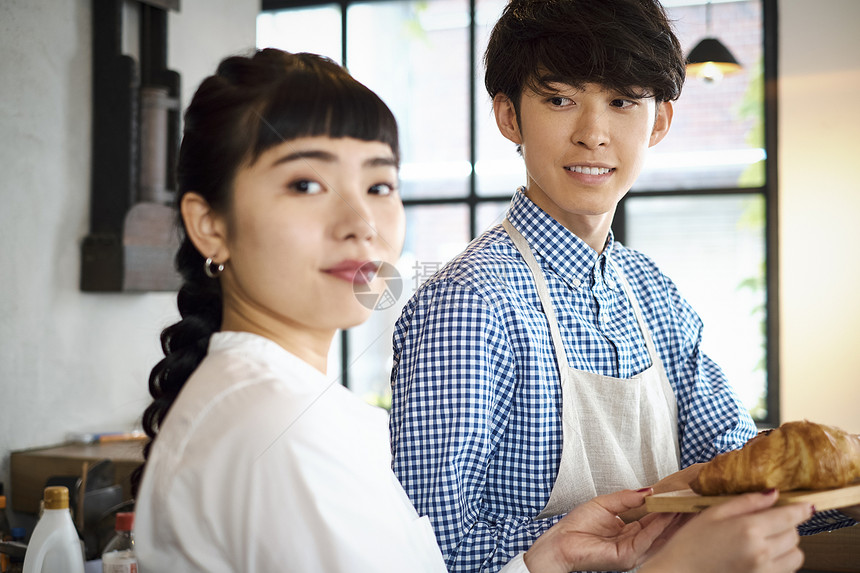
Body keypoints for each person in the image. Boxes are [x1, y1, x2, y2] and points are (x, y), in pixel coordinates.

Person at [131, 48, 812, 573]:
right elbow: (446, 541)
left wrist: (549, 553)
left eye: (379, 183)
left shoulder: (297, 411)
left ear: (659, 119)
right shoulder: (280, 425)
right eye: (305, 183)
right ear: (209, 225)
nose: (359, 221)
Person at [388, 1, 858, 571]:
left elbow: (743, 471)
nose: (593, 135)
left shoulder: (652, 291)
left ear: (658, 121)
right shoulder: (469, 302)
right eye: (560, 99)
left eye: (622, 102)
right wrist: (634, 527)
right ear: (509, 117)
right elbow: (430, 551)